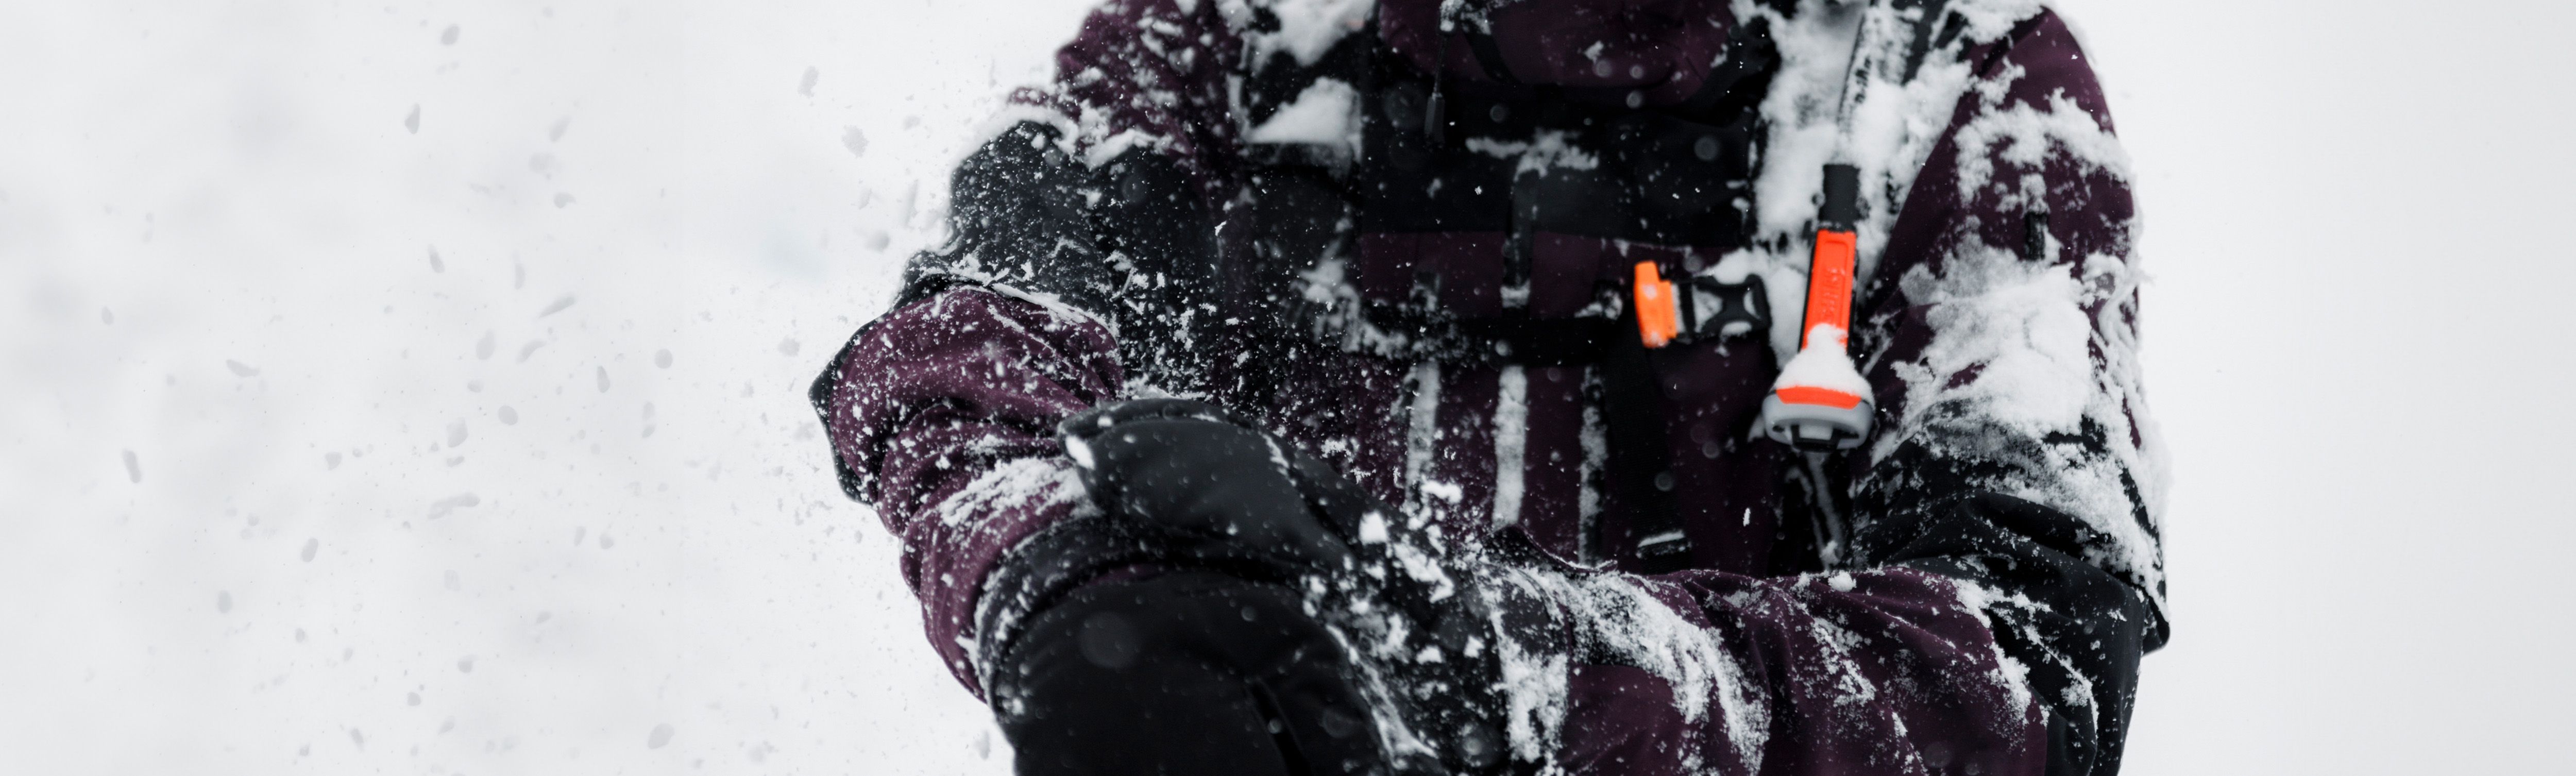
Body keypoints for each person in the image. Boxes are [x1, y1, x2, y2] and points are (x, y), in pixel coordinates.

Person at [811, 0, 2166, 773]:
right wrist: (1060, 568)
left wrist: (1475, 670)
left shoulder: (1944, 75)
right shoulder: (1234, 39)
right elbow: (961, 353)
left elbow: (2033, 670)